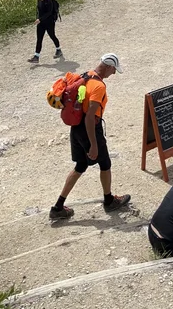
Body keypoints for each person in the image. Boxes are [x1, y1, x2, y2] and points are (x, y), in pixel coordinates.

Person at [49, 53, 132, 220]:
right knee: (105, 163)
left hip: (76, 128)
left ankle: (58, 206)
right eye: (114, 70)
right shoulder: (99, 87)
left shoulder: (85, 75)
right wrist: (93, 144)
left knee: (80, 165)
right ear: (108, 66)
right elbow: (89, 117)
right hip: (90, 128)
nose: (114, 73)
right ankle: (109, 201)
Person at [29, 0, 61, 64]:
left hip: (49, 22)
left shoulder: (49, 1)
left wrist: (39, 19)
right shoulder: (39, 0)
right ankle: (36, 56)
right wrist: (38, 19)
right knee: (39, 39)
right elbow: (39, 11)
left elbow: (49, 13)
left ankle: (58, 49)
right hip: (41, 23)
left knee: (52, 36)